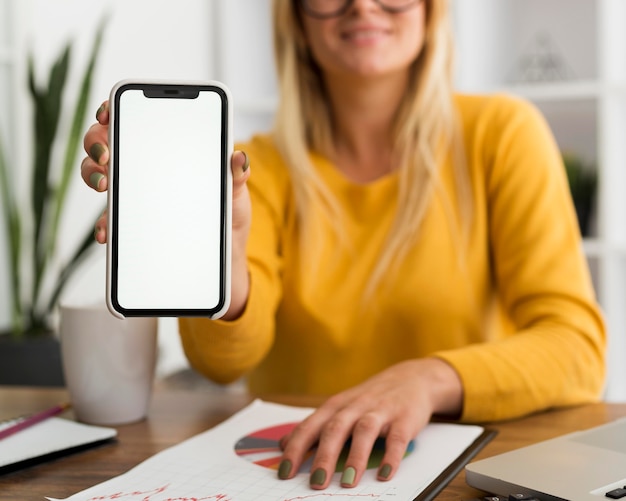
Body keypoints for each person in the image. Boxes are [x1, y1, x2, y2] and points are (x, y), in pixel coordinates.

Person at [81, 0, 606, 491]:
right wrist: (226, 255)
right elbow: (223, 363)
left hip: (464, 470)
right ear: (296, 18)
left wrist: (427, 379)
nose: (362, 5)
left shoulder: (502, 134)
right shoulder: (252, 169)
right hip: (295, 472)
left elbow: (577, 349)